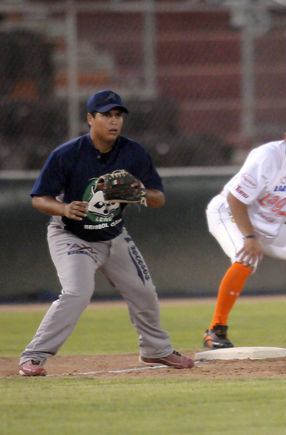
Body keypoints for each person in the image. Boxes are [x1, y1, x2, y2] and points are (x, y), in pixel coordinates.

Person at [18, 89, 194, 376]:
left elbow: (158, 198)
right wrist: (62, 209)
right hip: (71, 235)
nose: (114, 121)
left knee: (144, 291)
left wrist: (137, 194)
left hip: (112, 235)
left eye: (118, 116)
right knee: (78, 292)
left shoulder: (133, 152)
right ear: (90, 118)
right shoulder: (67, 154)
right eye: (106, 115)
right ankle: (34, 356)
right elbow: (39, 198)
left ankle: (155, 351)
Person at [203, 112, 286, 349]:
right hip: (229, 214)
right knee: (246, 259)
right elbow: (236, 199)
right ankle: (215, 329)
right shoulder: (266, 157)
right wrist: (249, 237)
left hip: (269, 225)